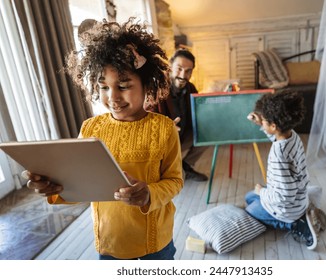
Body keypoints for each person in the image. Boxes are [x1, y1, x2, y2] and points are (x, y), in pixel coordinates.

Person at [23, 18, 183, 260]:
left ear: (146, 85)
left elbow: (174, 181)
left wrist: (149, 193)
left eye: (124, 85)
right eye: (104, 88)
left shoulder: (164, 128)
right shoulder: (90, 128)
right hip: (110, 241)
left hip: (155, 242)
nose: (113, 97)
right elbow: (79, 185)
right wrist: (53, 188)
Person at [245, 90, 326, 250]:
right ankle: (303, 211)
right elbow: (276, 135)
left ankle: (298, 225)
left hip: (287, 208)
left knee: (250, 208)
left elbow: (283, 197)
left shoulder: (278, 155)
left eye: (265, 122)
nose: (263, 123)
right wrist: (262, 123)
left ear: (274, 126)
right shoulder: (292, 136)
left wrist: (262, 191)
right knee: (249, 196)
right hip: (298, 197)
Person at [150, 49, 208, 182]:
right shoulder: (157, 89)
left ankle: (186, 166)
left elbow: (198, 111)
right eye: (179, 68)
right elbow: (148, 119)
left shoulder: (191, 88)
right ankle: (173, 170)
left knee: (209, 135)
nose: (183, 75)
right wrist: (165, 128)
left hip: (182, 137)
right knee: (173, 179)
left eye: (188, 71)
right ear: (170, 67)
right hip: (164, 142)